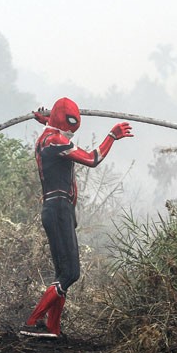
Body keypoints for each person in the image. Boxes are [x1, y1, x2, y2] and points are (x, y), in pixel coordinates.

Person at [19, 97, 133, 338]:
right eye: (70, 126)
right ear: (63, 123)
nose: (71, 131)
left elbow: (56, 129)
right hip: (59, 208)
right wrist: (112, 136)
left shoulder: (46, 139)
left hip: (57, 209)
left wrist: (47, 121)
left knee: (63, 274)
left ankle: (53, 328)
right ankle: (33, 321)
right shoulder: (56, 141)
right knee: (71, 273)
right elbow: (93, 159)